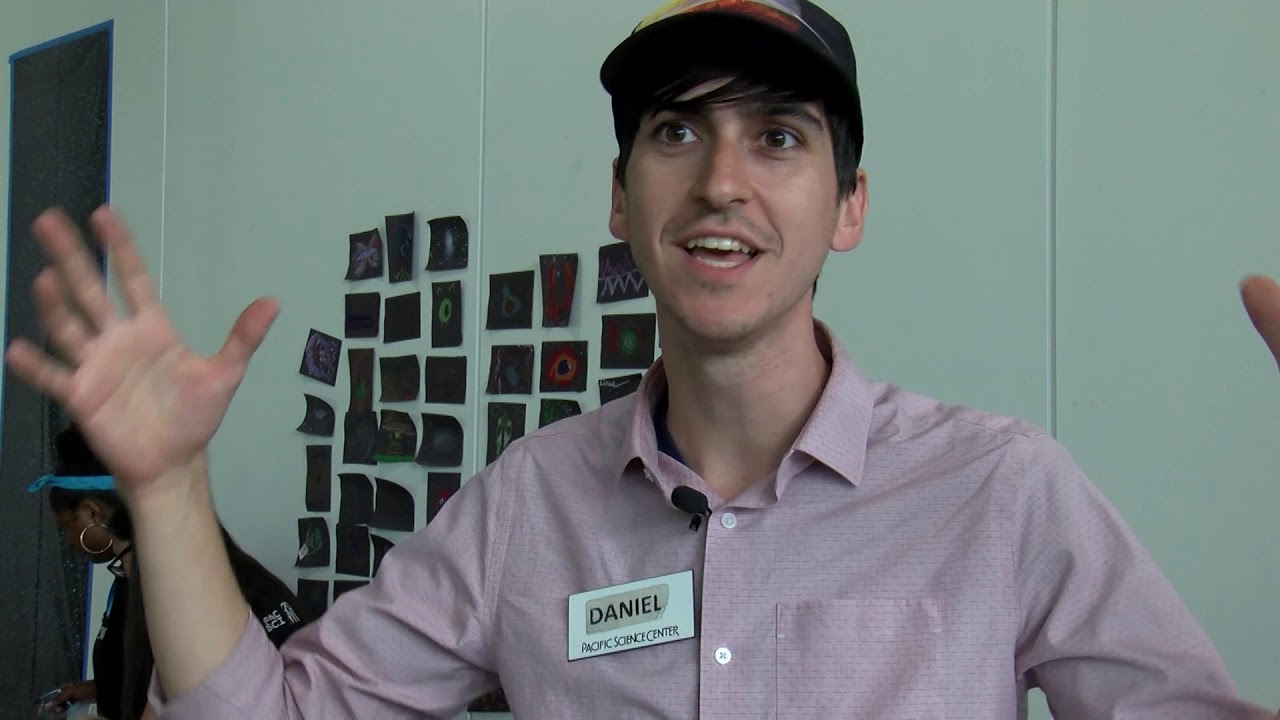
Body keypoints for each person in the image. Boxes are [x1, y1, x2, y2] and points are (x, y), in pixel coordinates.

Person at [5, 1, 1278, 717]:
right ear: (619, 198)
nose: (720, 180)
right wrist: (168, 491)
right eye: (676, 132)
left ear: (848, 206)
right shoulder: (526, 507)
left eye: (776, 137)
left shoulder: (1000, 491)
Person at [29, 425, 314, 719]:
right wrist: (100, 688)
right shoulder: (137, 581)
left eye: (68, 525)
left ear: (93, 512)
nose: (69, 541)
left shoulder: (188, 597)